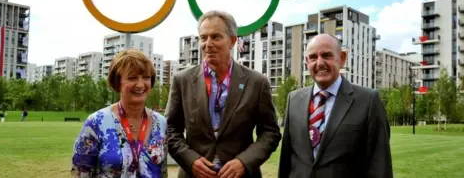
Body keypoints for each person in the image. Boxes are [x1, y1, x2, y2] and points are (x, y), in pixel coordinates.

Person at [166, 10, 281, 178]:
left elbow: (270, 133)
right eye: (203, 37)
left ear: (232, 41)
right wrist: (190, 160)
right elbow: (170, 129)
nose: (208, 44)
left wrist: (244, 162)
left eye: (216, 37)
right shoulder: (182, 80)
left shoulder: (257, 82)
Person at [278, 34, 393, 178]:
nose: (319, 63)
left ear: (342, 58)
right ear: (307, 62)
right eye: (313, 57)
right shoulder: (294, 99)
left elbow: (380, 164)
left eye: (326, 55)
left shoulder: (368, 100)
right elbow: (286, 159)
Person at [71, 49, 168, 177]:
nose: (140, 84)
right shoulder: (96, 122)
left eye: (146, 77)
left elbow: (163, 171)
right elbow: (80, 173)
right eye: (132, 78)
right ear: (117, 83)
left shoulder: (161, 122)